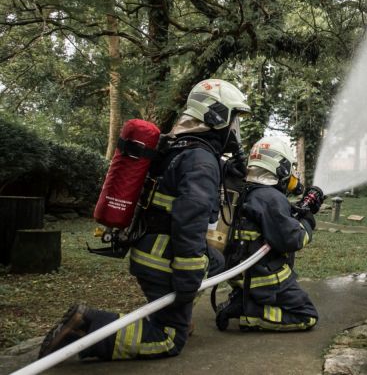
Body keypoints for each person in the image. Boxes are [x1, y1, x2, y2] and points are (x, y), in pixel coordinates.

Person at [38, 79, 251, 360]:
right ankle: (87, 327)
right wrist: (187, 278)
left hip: (149, 250)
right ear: (216, 115)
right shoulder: (201, 161)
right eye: (234, 119)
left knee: (216, 262)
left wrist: (228, 171)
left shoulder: (177, 147)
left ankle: (178, 315)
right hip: (164, 258)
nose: (235, 129)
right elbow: (190, 221)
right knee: (168, 340)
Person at [214, 136, 323, 332]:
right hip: (265, 278)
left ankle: (242, 299)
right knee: (306, 315)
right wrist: (307, 221)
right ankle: (251, 314)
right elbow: (293, 239)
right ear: (280, 167)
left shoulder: (249, 191)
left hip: (242, 274)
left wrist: (297, 210)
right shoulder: (270, 198)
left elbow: (272, 219)